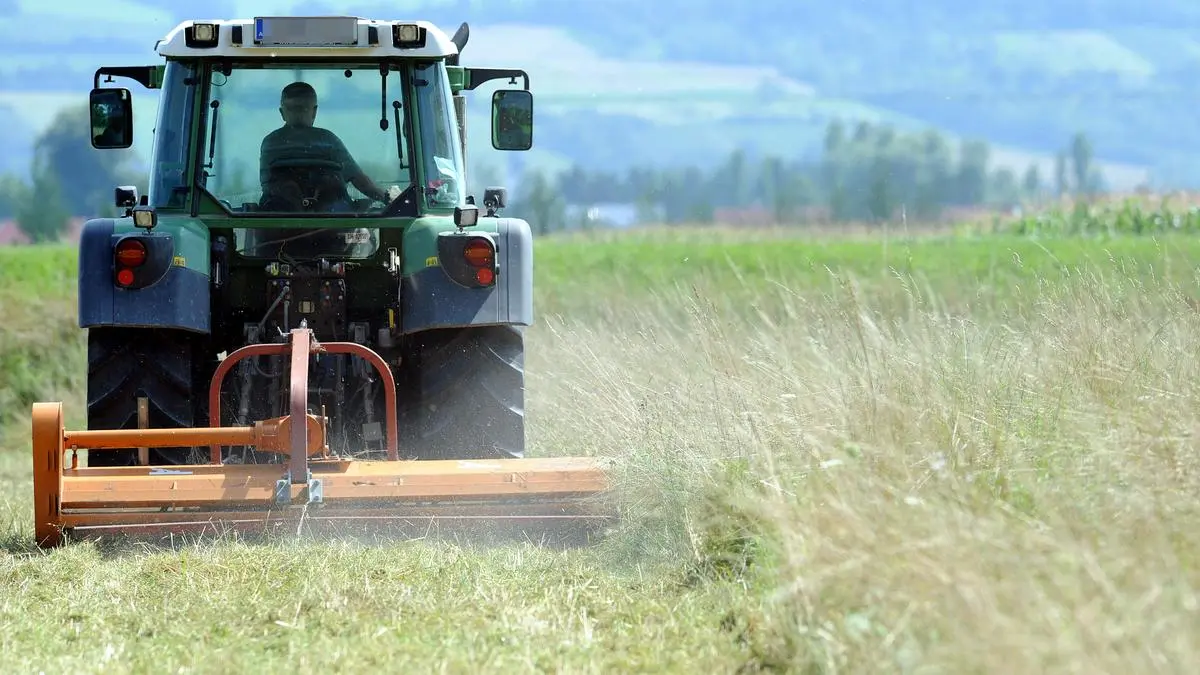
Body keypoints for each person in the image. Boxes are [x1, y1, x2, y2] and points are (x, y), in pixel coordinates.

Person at [258, 81, 389, 211]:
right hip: (332, 222)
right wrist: (387, 199)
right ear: (314, 111)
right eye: (294, 109)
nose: (298, 115)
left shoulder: (270, 143)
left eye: (302, 109)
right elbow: (359, 181)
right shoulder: (328, 140)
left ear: (282, 112)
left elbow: (267, 186)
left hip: (281, 220)